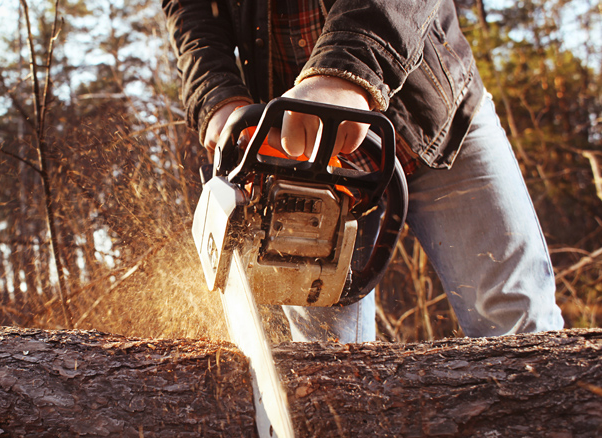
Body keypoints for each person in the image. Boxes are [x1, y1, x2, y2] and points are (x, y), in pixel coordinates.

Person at [162, 0, 564, 342]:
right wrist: (217, 96)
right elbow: (190, 11)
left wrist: (346, 69)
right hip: (298, 150)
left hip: (435, 114)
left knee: (518, 322)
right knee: (327, 362)